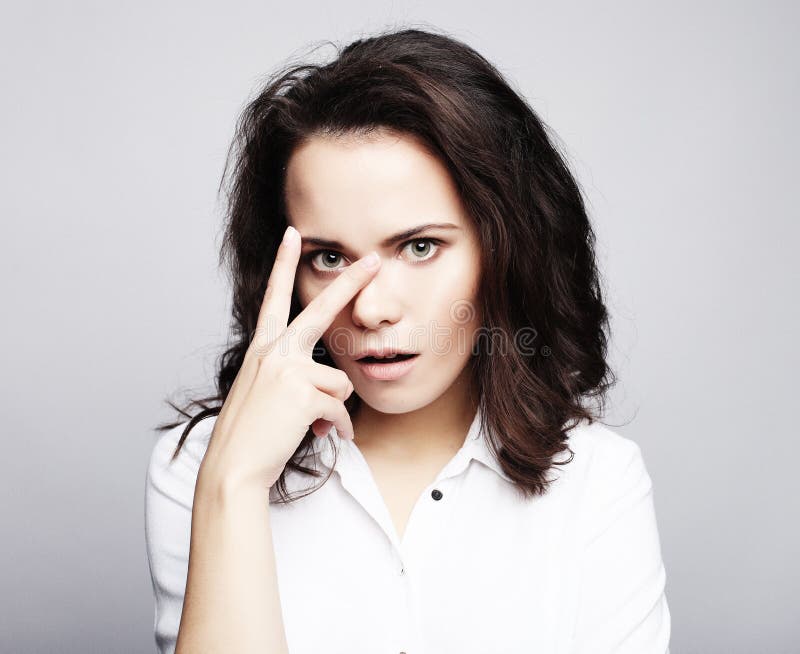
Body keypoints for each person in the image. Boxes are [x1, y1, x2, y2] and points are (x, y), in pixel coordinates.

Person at [144, 27, 671, 654]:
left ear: (503, 250)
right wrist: (231, 484)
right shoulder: (203, 467)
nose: (371, 308)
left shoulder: (598, 481)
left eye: (419, 247)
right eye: (330, 258)